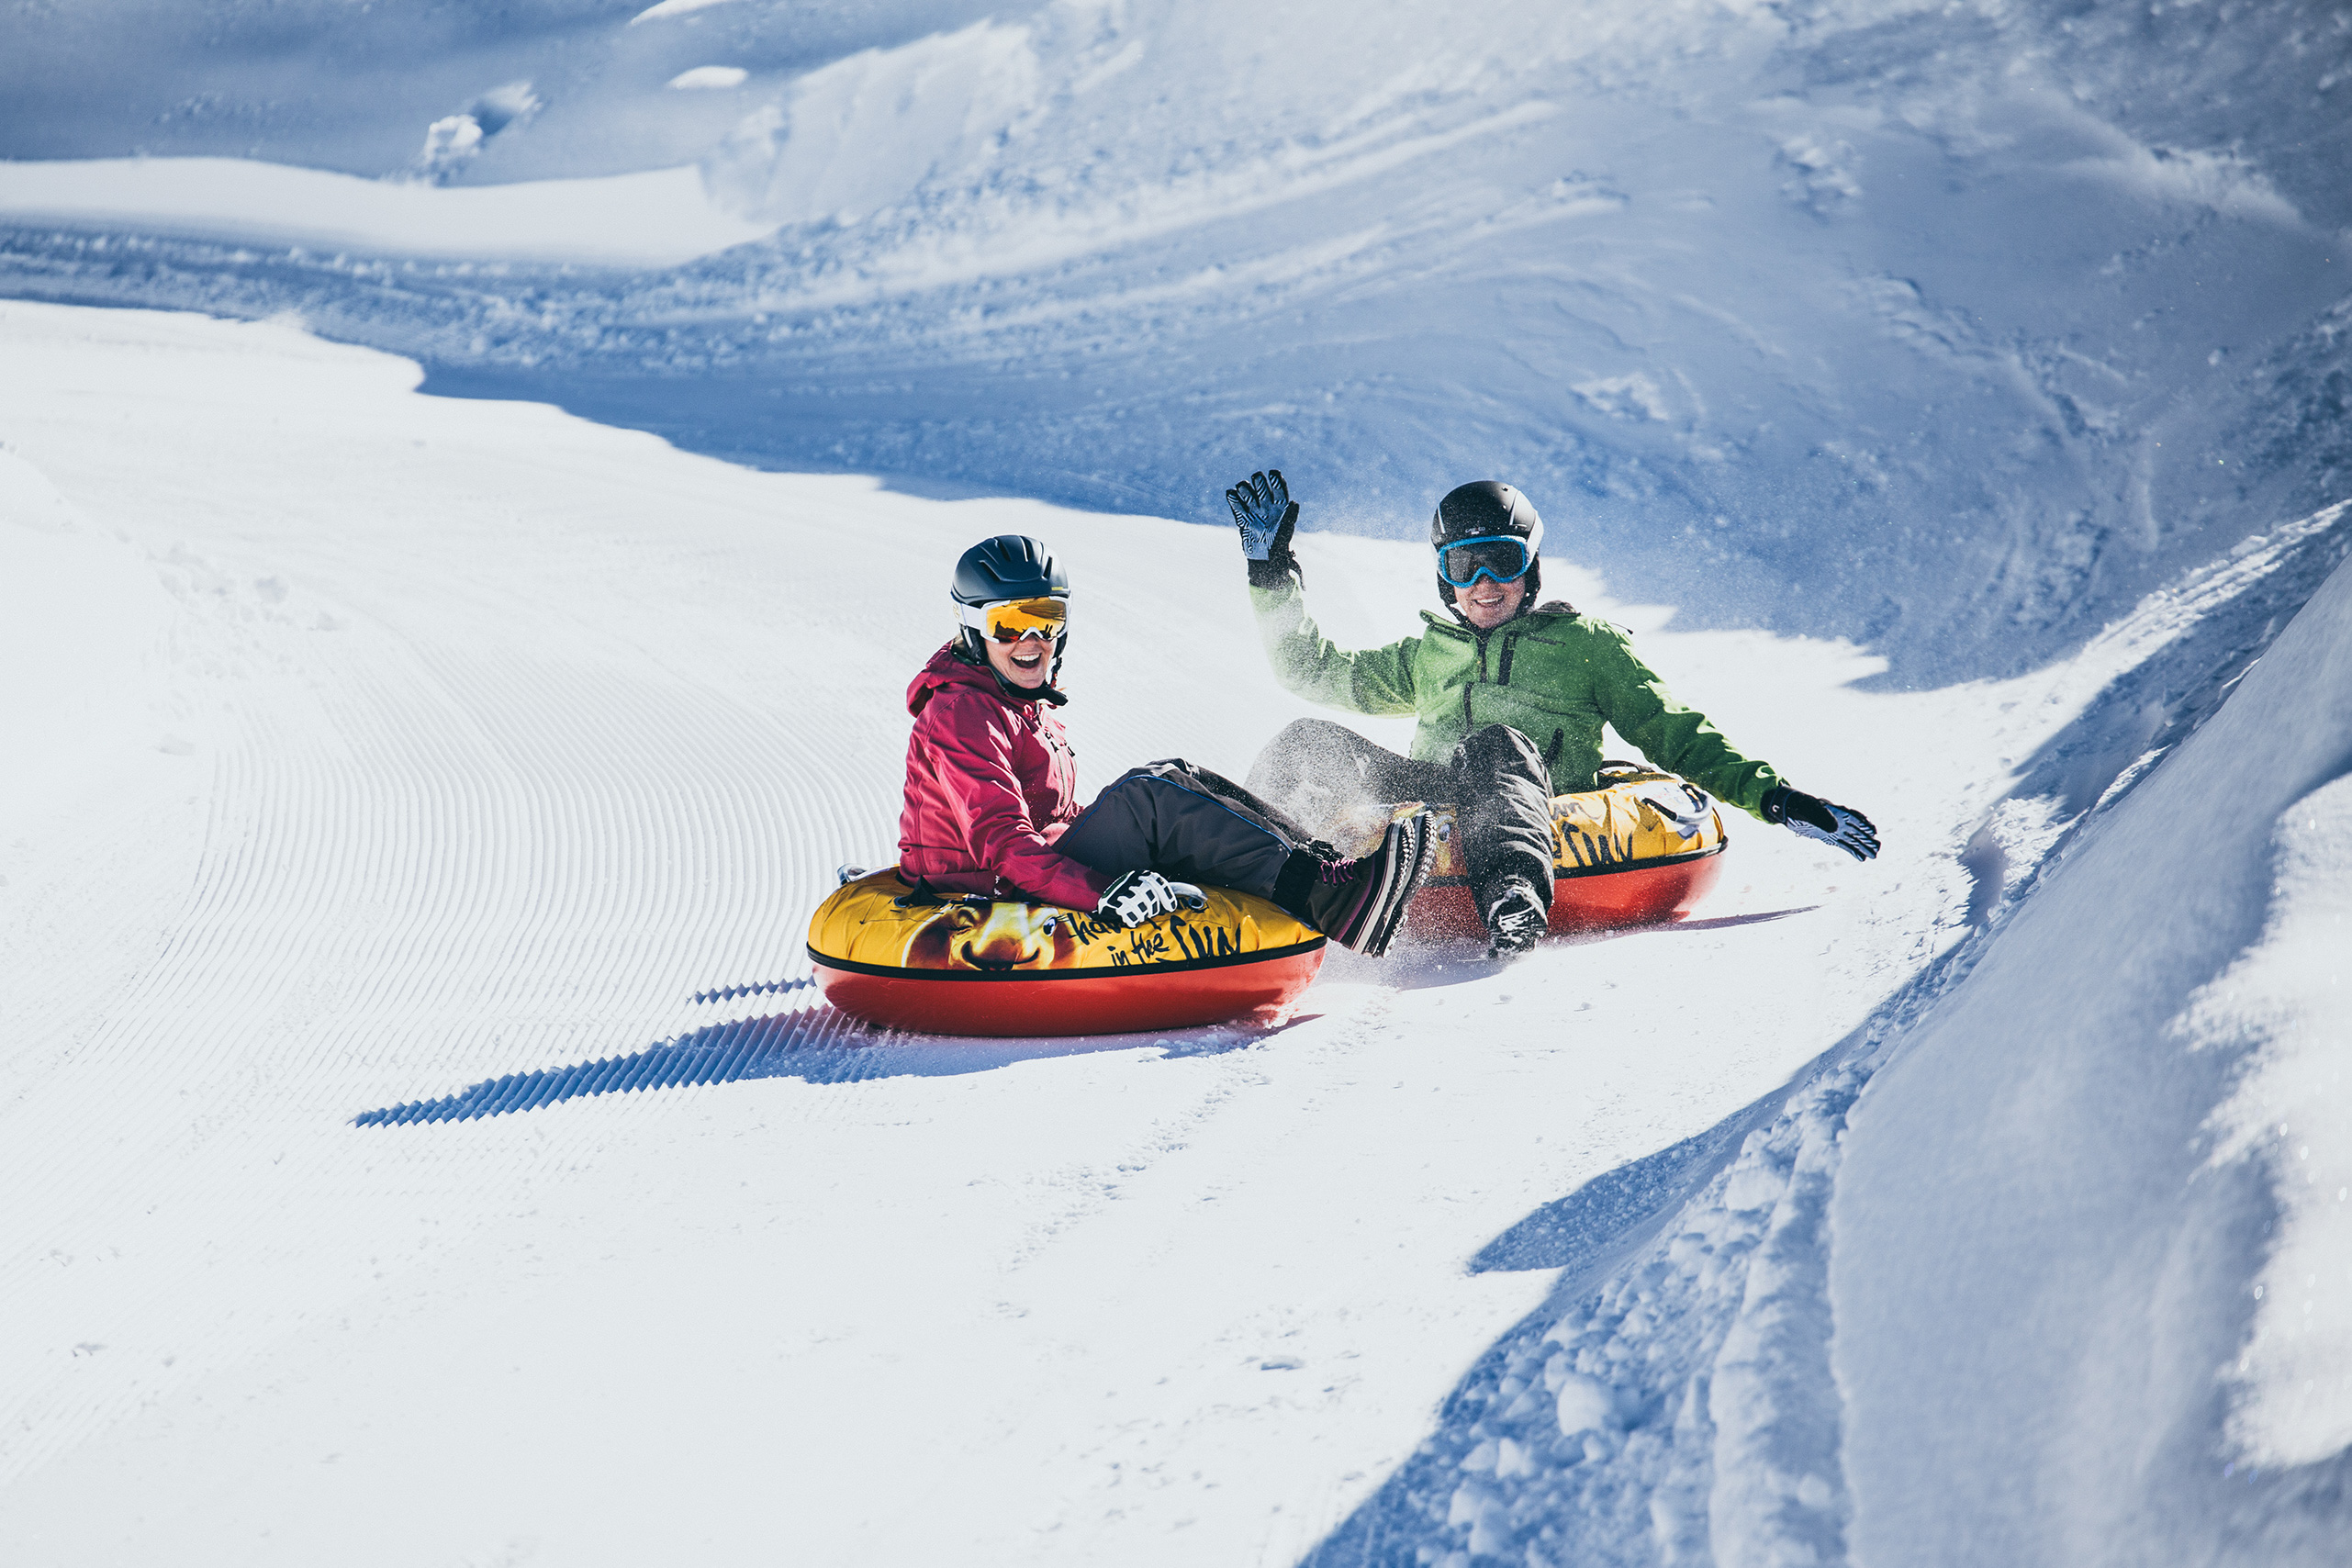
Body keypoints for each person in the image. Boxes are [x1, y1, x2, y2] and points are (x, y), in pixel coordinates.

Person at [1225, 470, 1880, 960]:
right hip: (1440, 798)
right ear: (1444, 578)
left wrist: (1778, 800)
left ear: (1531, 563)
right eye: (1464, 564)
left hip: (1535, 795)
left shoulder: (1586, 647)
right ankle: (1242, 884)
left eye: (1502, 560)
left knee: (1495, 743)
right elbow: (1308, 670)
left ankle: (1513, 898)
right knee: (1306, 741)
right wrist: (1270, 569)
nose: (1484, 582)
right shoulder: (1430, 653)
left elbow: (1676, 735)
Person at [899, 533, 1437, 957]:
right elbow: (1001, 843)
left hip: (1024, 870)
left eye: (1047, 618)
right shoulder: (962, 712)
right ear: (971, 627)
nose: (1031, 640)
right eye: (1009, 623)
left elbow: (1053, 818)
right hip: (985, 891)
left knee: (1172, 776)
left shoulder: (1018, 700)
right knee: (1148, 798)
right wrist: (1100, 892)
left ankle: (1325, 868)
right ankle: (1328, 894)